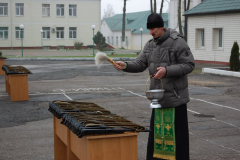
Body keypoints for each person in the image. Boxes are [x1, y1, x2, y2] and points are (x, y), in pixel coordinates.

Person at [114, 13, 195, 160]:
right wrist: (125, 65)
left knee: (178, 142)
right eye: (149, 29)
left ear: (162, 27)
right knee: (157, 140)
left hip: (175, 100)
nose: (151, 32)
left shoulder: (177, 42)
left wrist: (167, 71)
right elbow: (140, 64)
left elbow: (189, 65)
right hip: (159, 100)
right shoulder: (150, 45)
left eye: (153, 29)